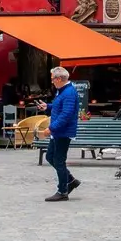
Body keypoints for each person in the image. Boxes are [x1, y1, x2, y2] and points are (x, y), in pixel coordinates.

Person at [45, 67, 81, 200]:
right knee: (50, 156)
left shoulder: (69, 92)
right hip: (59, 131)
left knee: (59, 161)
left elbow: (66, 114)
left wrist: (51, 128)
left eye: (53, 79)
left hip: (63, 132)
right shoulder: (62, 91)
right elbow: (60, 107)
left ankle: (62, 191)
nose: (52, 82)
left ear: (59, 79)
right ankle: (70, 180)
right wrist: (48, 107)